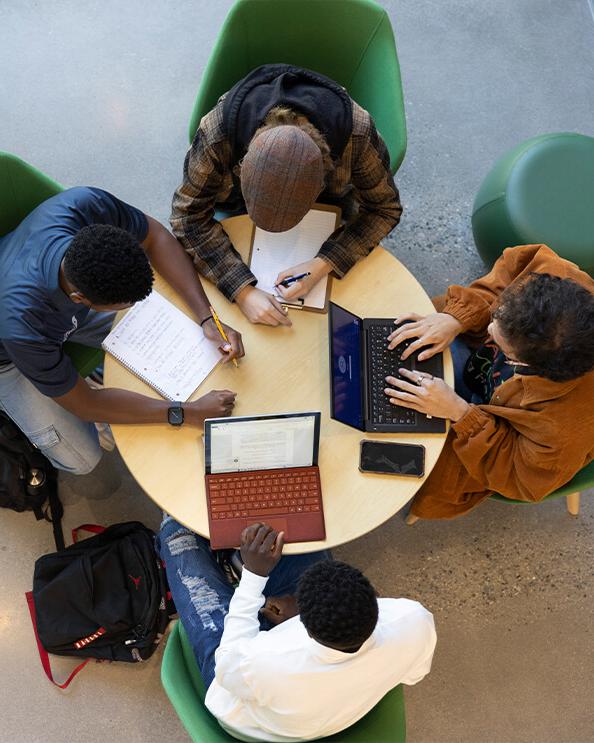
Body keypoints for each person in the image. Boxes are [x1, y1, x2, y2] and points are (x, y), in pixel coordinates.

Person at [0, 186, 244, 475]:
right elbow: (86, 404)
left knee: (176, 332)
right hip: (9, 354)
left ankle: (62, 372)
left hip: (46, 312)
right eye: (121, 305)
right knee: (83, 460)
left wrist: (207, 318)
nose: (130, 307)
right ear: (81, 300)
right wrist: (183, 413)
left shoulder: (84, 205)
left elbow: (155, 237)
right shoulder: (21, 325)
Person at [159, 519, 436, 742]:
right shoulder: (413, 620)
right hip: (323, 710)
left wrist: (254, 578)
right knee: (300, 530)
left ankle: (240, 567)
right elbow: (414, 675)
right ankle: (240, 564)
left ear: (305, 628)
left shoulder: (263, 661)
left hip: (244, 703)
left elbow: (227, 664)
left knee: (178, 537)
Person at [171, 63, 402, 327]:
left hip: (329, 214)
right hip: (236, 208)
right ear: (241, 166)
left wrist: (324, 263)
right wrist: (242, 291)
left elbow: (385, 209)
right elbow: (186, 214)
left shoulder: (357, 134)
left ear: (326, 173)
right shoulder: (218, 133)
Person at [381, 244, 594, 519]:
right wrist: (456, 318)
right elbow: (508, 270)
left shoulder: (566, 428)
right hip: (473, 370)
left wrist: (460, 413)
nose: (490, 328)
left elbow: (519, 477)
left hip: (486, 433)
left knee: (391, 452)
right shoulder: (557, 278)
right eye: (498, 316)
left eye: (504, 346)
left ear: (533, 367)